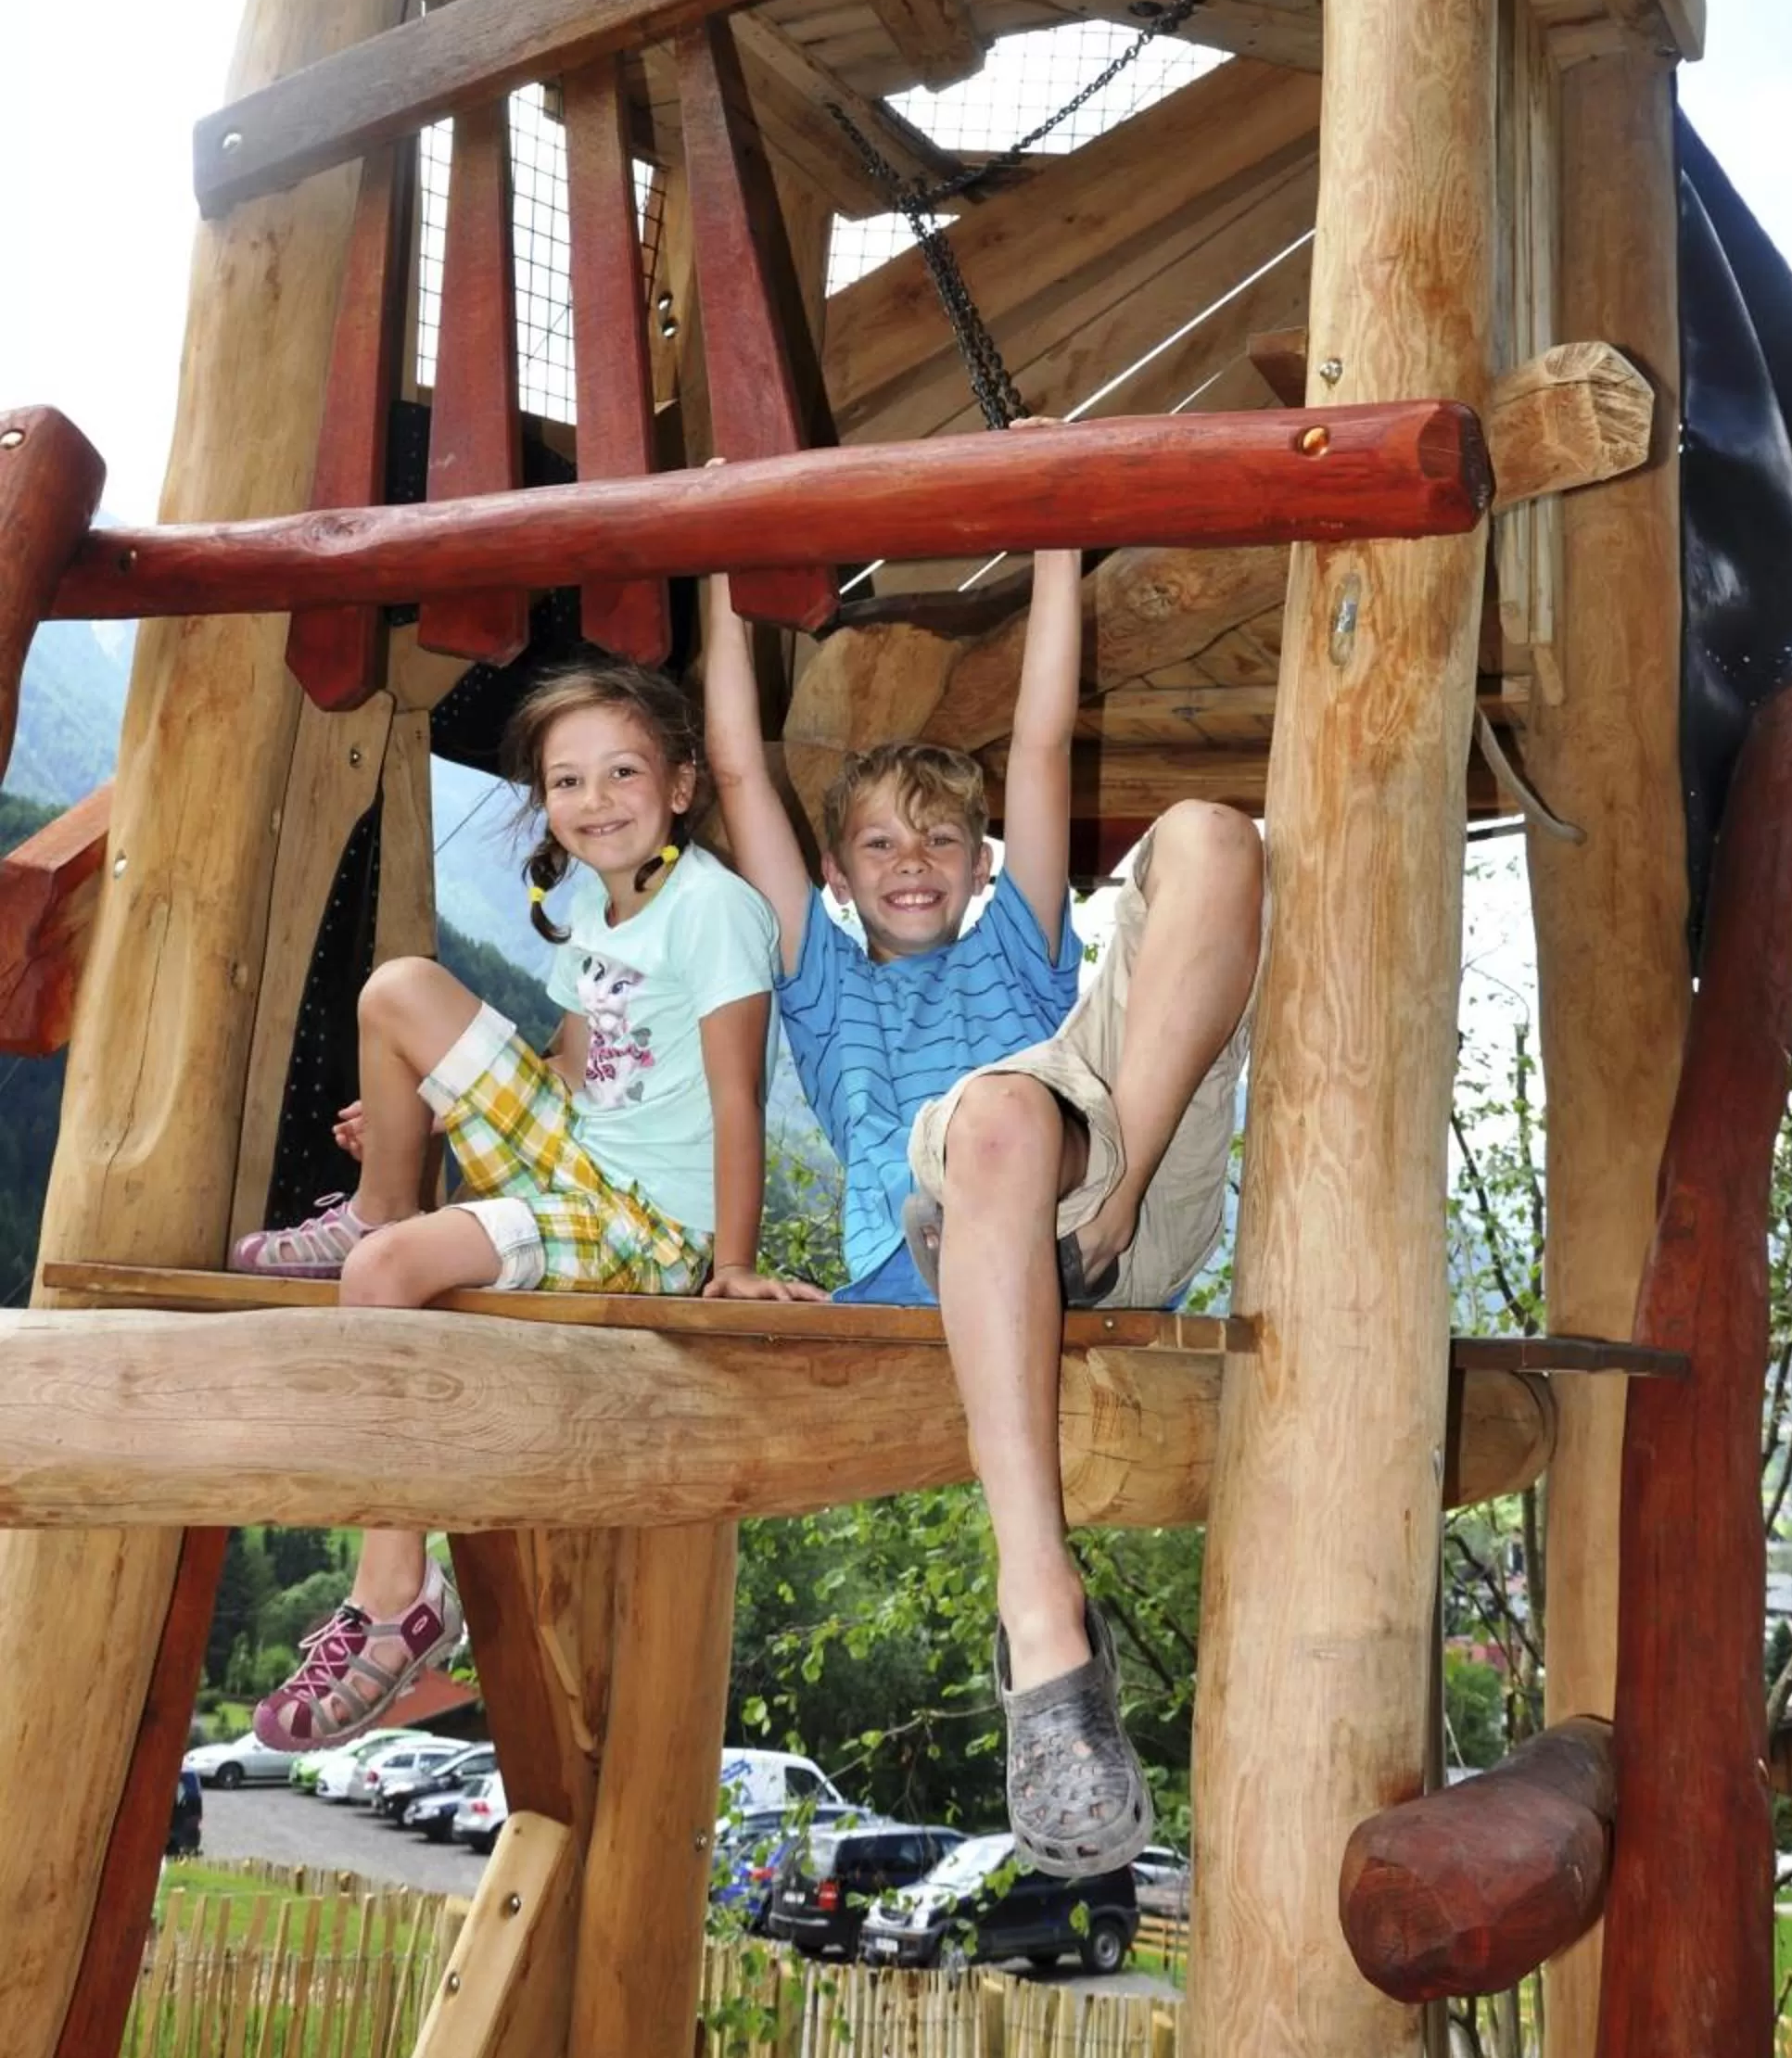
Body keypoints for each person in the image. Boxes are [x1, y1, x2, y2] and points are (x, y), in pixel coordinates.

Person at [704, 542, 1265, 1876]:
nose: (915, 861)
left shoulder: (1020, 937)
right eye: (882, 843)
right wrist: (727, 565)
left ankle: (1104, 1202)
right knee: (992, 1126)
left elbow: (1043, 739)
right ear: (837, 875)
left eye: (943, 839)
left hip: (1108, 1204)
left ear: (980, 863)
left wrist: (1057, 543)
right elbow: (736, 769)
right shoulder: (820, 984)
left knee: (1213, 835)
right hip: (937, 1240)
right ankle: (1043, 1617)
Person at [230, 655, 820, 1750]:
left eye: (622, 774)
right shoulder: (590, 908)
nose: (595, 803)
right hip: (575, 1166)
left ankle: (395, 1598)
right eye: (567, 782)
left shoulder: (715, 912)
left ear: (682, 785)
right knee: (398, 987)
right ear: (544, 800)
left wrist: (728, 1261)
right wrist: (424, 1105)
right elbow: (569, 1072)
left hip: (648, 1225)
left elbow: (739, 1097)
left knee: (382, 1279)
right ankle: (378, 1198)